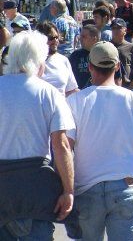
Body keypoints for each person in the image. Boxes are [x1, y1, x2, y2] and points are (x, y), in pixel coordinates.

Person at [66, 41, 133, 241]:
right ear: (117, 66)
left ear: (90, 67)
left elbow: (66, 147)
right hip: (125, 185)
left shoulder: (75, 101)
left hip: (87, 188)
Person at [0, 31, 75, 240]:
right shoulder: (48, 93)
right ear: (38, 62)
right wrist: (68, 190)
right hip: (36, 187)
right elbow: (61, 146)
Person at [36, 21, 79, 97]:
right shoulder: (31, 61)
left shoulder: (63, 60)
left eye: (56, 37)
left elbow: (71, 90)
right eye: (51, 38)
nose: (55, 41)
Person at [110, 18, 133, 91]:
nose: (115, 30)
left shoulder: (131, 47)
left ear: (125, 30)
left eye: (118, 28)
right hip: (111, 86)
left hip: (127, 87)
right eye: (113, 28)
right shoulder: (107, 46)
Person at [69, 24, 100, 90]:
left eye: (84, 37)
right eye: (80, 36)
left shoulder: (103, 54)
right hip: (80, 95)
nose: (80, 39)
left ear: (94, 38)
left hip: (99, 93)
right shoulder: (75, 55)